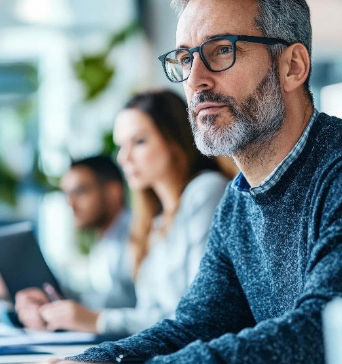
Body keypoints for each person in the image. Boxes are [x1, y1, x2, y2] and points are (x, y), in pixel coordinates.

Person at [1, 0, 340, 364]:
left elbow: (320, 338)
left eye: (222, 50)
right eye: (185, 58)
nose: (195, 81)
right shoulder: (240, 200)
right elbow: (193, 326)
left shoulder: (333, 173)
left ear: (293, 66)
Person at [15, 90, 228, 336]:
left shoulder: (206, 191)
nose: (123, 157)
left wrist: (98, 321)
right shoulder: (156, 220)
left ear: (174, 140)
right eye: (120, 146)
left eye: (138, 142)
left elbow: (199, 315)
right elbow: (142, 310)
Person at [15, 155, 136, 333]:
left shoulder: (137, 239)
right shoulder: (107, 241)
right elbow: (108, 301)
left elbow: (132, 308)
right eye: (67, 194)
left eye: (80, 192)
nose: (70, 204)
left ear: (113, 191)